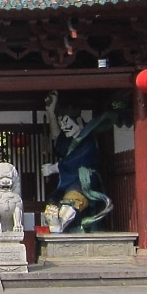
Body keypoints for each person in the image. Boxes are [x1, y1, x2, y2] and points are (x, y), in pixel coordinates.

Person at [41, 90, 114, 233]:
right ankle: (56, 224)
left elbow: (73, 161)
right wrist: (51, 113)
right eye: (61, 123)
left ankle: (60, 224)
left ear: (79, 121)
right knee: (53, 200)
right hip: (67, 181)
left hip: (84, 179)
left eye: (66, 122)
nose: (63, 126)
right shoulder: (69, 139)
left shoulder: (88, 140)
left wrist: (53, 168)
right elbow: (58, 138)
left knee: (72, 198)